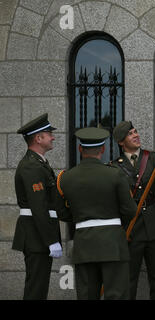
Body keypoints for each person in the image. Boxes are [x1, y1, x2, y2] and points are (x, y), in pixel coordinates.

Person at [56, 127, 136, 300]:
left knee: (86, 295)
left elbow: (61, 212)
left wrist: (80, 218)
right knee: (117, 295)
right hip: (113, 244)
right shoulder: (115, 174)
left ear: (80, 149)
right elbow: (130, 210)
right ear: (103, 149)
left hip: (84, 244)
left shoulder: (66, 178)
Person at [112, 121, 155, 300]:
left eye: (136, 131)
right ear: (121, 142)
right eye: (130, 134)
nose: (136, 135)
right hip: (131, 229)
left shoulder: (152, 158)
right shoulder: (114, 167)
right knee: (129, 280)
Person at [12, 113, 62, 300]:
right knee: (36, 288)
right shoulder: (31, 166)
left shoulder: (39, 163)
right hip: (36, 235)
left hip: (37, 233)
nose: (53, 137)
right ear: (38, 138)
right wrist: (50, 240)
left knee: (38, 287)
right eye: (49, 133)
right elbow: (38, 206)